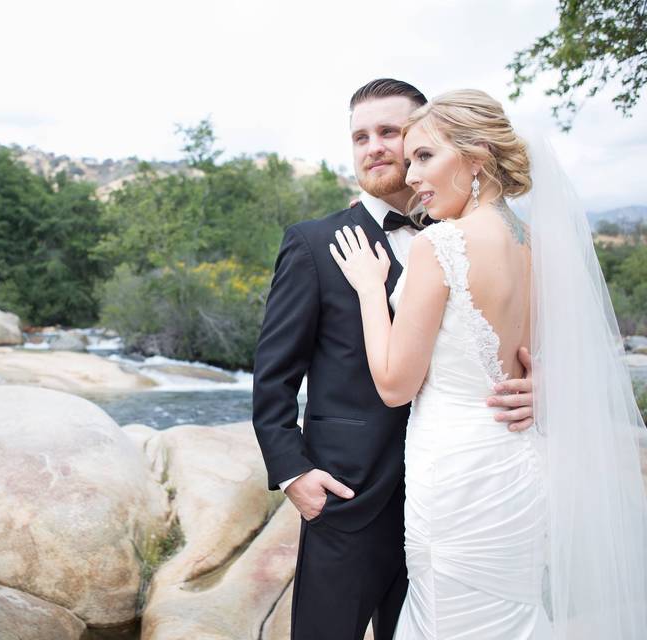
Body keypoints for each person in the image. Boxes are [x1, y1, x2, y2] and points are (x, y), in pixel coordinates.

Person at [329, 89, 647, 638]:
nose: (414, 177)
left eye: (425, 157)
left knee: (450, 616)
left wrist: (367, 290)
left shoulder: (440, 245)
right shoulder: (539, 246)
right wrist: (542, 385)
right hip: (517, 467)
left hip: (456, 473)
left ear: (475, 159)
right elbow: (541, 356)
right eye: (411, 162)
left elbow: (394, 385)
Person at [251, 79, 535, 640]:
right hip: (349, 496)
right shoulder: (314, 243)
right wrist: (293, 472)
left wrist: (539, 383)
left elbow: (515, 343)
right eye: (360, 136)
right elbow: (273, 376)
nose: (374, 146)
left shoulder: (478, 236)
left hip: (459, 496)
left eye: (390, 132)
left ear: (425, 139)